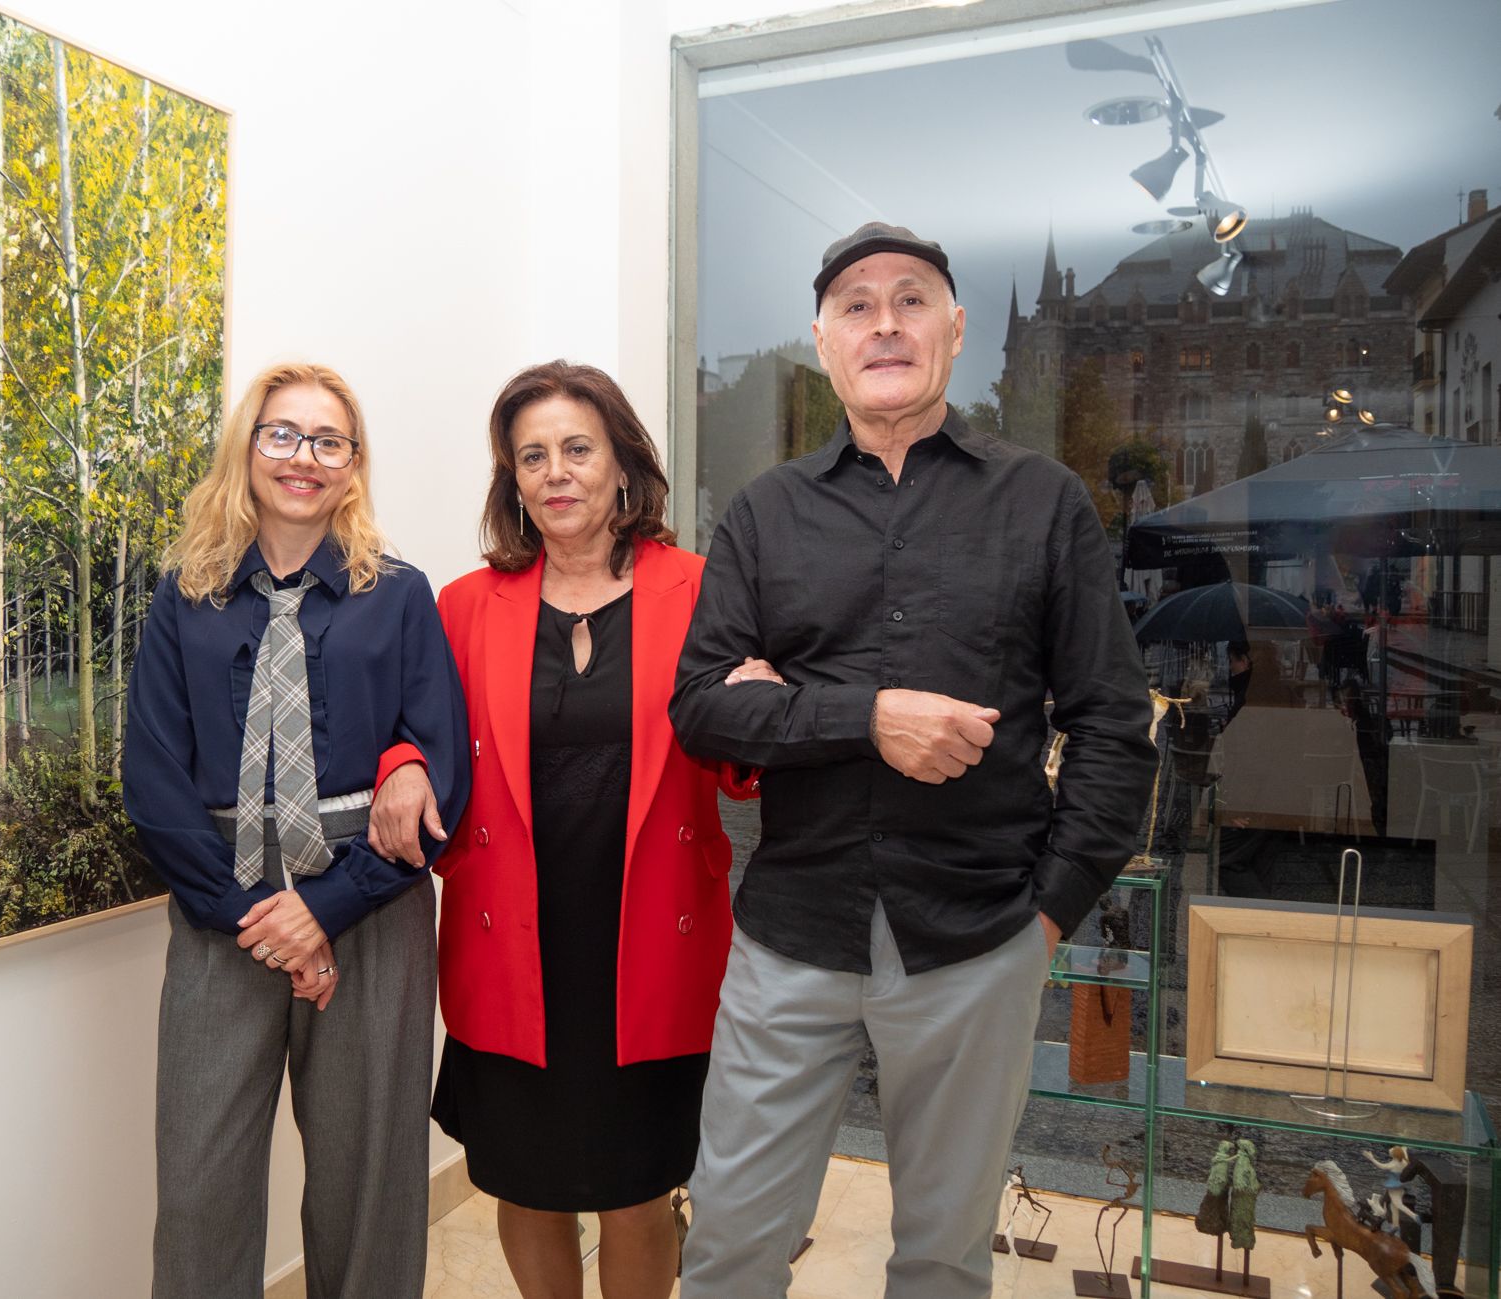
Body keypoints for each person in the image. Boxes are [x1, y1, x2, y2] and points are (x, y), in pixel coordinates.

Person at [670, 222, 1155, 1297]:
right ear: (822, 340)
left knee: (941, 1257)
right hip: (791, 936)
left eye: (910, 299)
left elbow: (1115, 728)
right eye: (856, 305)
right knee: (729, 1247)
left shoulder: (1041, 504)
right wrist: (865, 715)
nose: (883, 321)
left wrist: (1047, 917)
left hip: (978, 940)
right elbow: (701, 709)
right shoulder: (764, 515)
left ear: (955, 329)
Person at [122, 361, 470, 1299]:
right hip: (217, 910)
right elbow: (153, 783)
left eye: (328, 441)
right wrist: (260, 920)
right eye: (282, 433)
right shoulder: (183, 596)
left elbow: (446, 773)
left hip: (370, 902)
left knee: (369, 1183)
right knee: (199, 1182)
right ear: (248, 445)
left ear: (353, 466)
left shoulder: (398, 594)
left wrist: (324, 909)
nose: (302, 458)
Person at [419, 360, 764, 1298]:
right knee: (524, 1181)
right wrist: (400, 768)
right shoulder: (462, 605)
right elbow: (416, 739)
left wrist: (764, 707)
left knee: (636, 1187)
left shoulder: (699, 589)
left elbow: (740, 762)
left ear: (622, 466)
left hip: (648, 935)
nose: (555, 472)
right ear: (513, 479)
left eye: (577, 448)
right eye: (533, 455)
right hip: (509, 937)